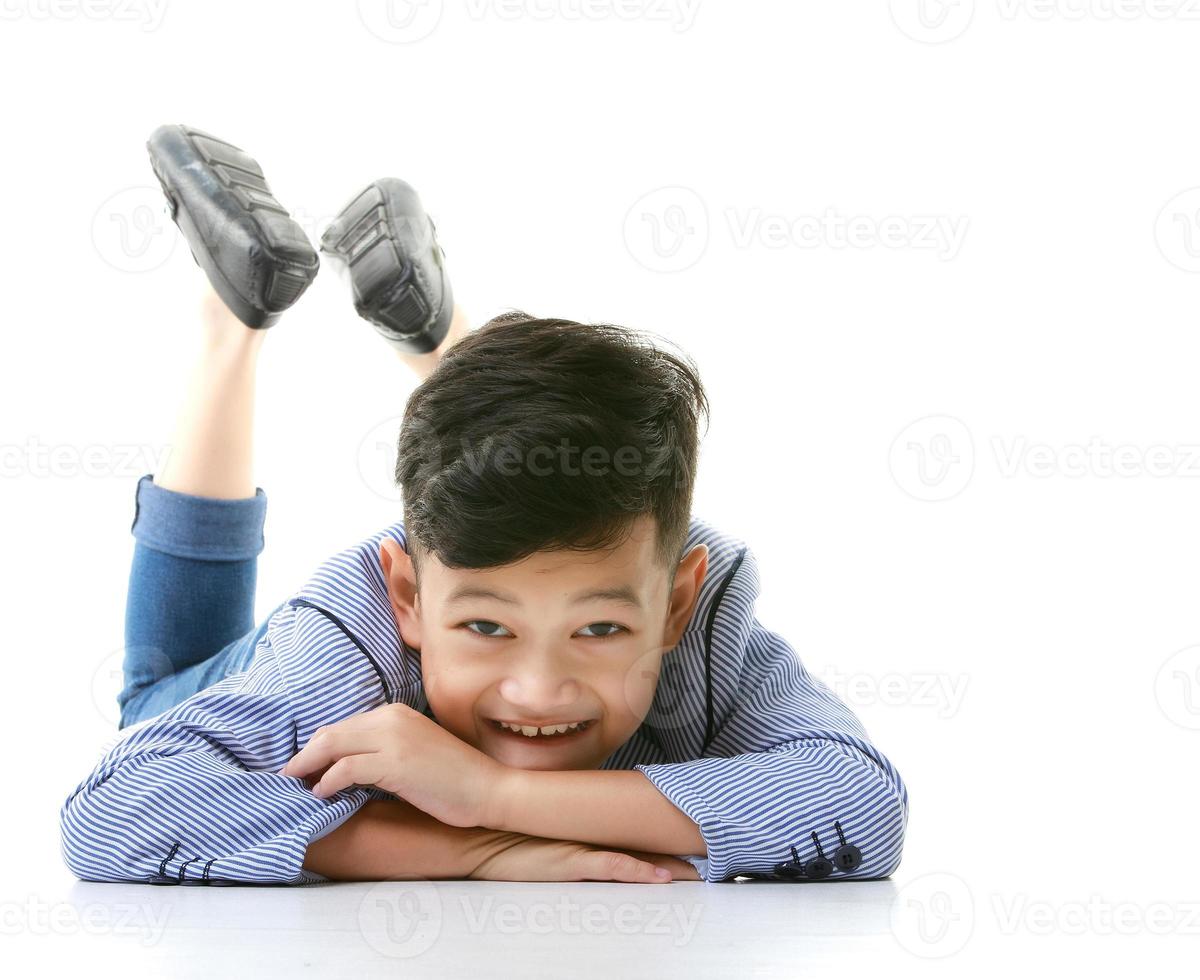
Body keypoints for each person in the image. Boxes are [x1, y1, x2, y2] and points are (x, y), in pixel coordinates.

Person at [59, 124, 908, 885]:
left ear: (677, 601)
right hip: (302, 646)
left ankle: (453, 358)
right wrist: (476, 847)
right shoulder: (355, 647)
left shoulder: (706, 611)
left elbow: (861, 802)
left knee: (534, 523)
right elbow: (117, 805)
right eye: (486, 629)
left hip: (520, 559)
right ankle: (230, 325)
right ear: (409, 601)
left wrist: (491, 792)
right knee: (151, 699)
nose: (538, 693)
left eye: (601, 630)